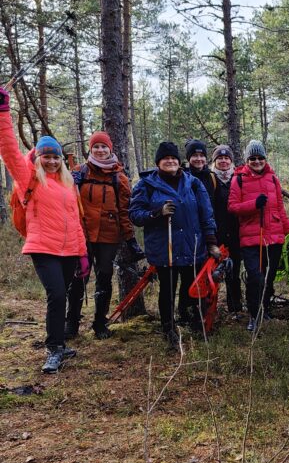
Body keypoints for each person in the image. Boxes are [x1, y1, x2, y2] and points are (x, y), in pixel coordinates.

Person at [0, 86, 88, 372]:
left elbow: (76, 221)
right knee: (57, 295)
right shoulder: (29, 179)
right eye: (46, 157)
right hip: (43, 247)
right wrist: (3, 112)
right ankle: (53, 349)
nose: (51, 161)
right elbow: (9, 150)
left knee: (63, 296)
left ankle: (60, 344)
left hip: (70, 250)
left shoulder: (68, 183)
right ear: (38, 158)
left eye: (55, 157)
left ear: (61, 159)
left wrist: (82, 253)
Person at [129, 141, 218, 347]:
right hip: (165, 247)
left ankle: (190, 319)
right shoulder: (146, 185)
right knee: (167, 289)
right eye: (165, 159)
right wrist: (156, 213)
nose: (170, 161)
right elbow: (135, 214)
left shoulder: (193, 183)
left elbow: (206, 214)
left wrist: (211, 242)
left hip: (192, 246)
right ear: (158, 162)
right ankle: (168, 328)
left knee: (191, 287)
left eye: (173, 158)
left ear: (179, 161)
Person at [65, 131, 139, 340]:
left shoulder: (119, 177)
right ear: (90, 149)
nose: (100, 150)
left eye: (103, 147)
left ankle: (100, 322)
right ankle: (71, 323)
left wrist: (130, 238)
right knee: (78, 278)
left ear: (110, 149)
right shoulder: (78, 172)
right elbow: (66, 203)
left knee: (104, 278)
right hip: (82, 236)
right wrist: (70, 184)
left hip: (108, 237)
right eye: (96, 146)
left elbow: (124, 211)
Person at [228, 140, 289, 332]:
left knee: (268, 277)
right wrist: (253, 205)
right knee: (255, 277)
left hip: (274, 238)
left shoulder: (273, 179)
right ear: (247, 160)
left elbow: (280, 208)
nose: (257, 161)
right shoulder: (238, 179)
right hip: (251, 239)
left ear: (265, 159)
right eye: (253, 158)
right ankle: (253, 314)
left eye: (260, 158)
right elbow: (232, 207)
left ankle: (264, 309)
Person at [210, 144, 242, 315]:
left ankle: (235, 307)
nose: (223, 161)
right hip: (216, 235)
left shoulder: (238, 178)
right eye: (220, 158)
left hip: (236, 234)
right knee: (212, 272)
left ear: (231, 160)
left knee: (234, 271)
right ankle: (210, 309)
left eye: (226, 158)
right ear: (214, 161)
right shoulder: (210, 179)